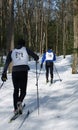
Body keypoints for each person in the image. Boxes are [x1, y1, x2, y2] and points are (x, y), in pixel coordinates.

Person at [1, 39, 39, 114]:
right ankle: (20, 101)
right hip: (23, 72)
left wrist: (4, 73)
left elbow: (7, 62)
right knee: (23, 91)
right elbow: (35, 56)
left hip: (14, 72)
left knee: (16, 90)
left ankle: (15, 108)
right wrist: (36, 58)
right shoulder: (25, 49)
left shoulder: (12, 51)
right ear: (23, 44)